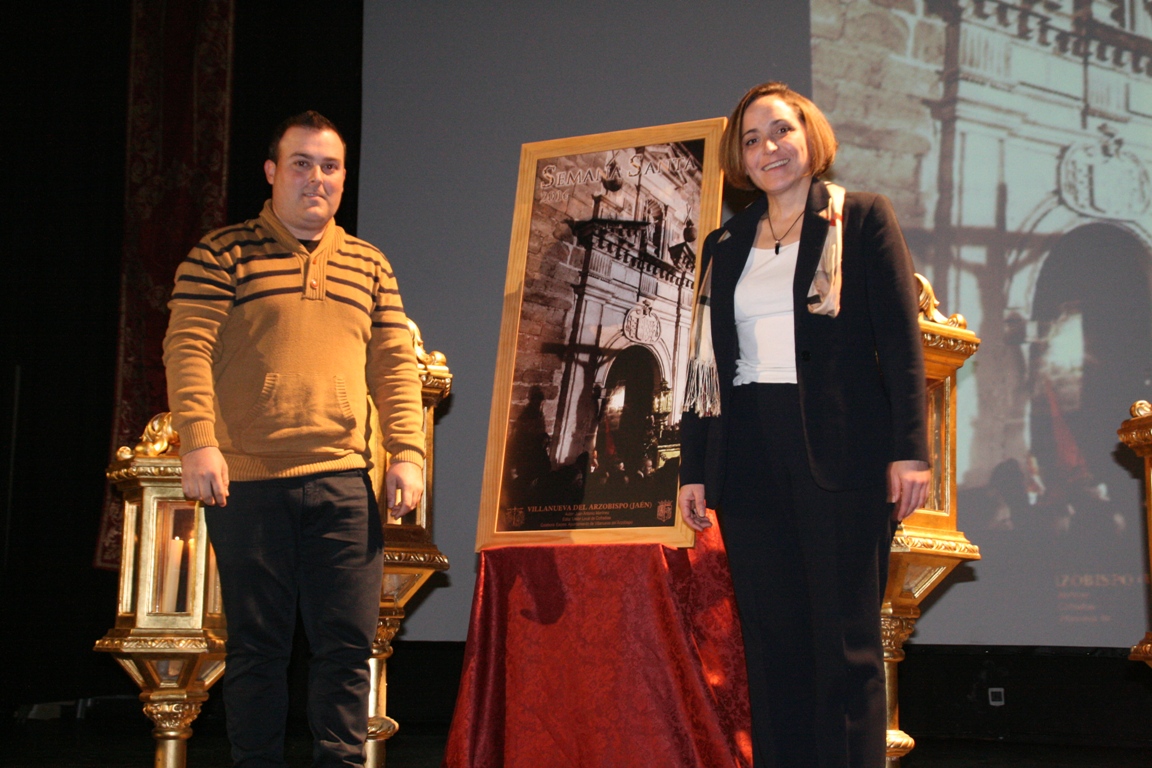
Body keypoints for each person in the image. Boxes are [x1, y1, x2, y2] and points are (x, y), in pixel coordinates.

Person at [677, 82, 930, 768]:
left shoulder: (863, 218)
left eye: (781, 131)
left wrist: (911, 449)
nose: (769, 148)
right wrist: (694, 468)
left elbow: (901, 342)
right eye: (753, 140)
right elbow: (705, 364)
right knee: (773, 644)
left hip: (842, 454)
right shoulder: (723, 244)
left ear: (810, 138)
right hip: (750, 451)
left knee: (845, 643)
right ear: (741, 160)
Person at [163, 111, 425, 767]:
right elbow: (186, 348)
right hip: (249, 482)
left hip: (342, 481)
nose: (317, 178)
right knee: (258, 647)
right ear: (273, 172)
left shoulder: (369, 265)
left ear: (343, 177)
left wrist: (409, 452)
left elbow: (395, 366)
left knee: (346, 645)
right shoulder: (219, 253)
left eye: (330, 166)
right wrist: (198, 441)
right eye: (301, 164)